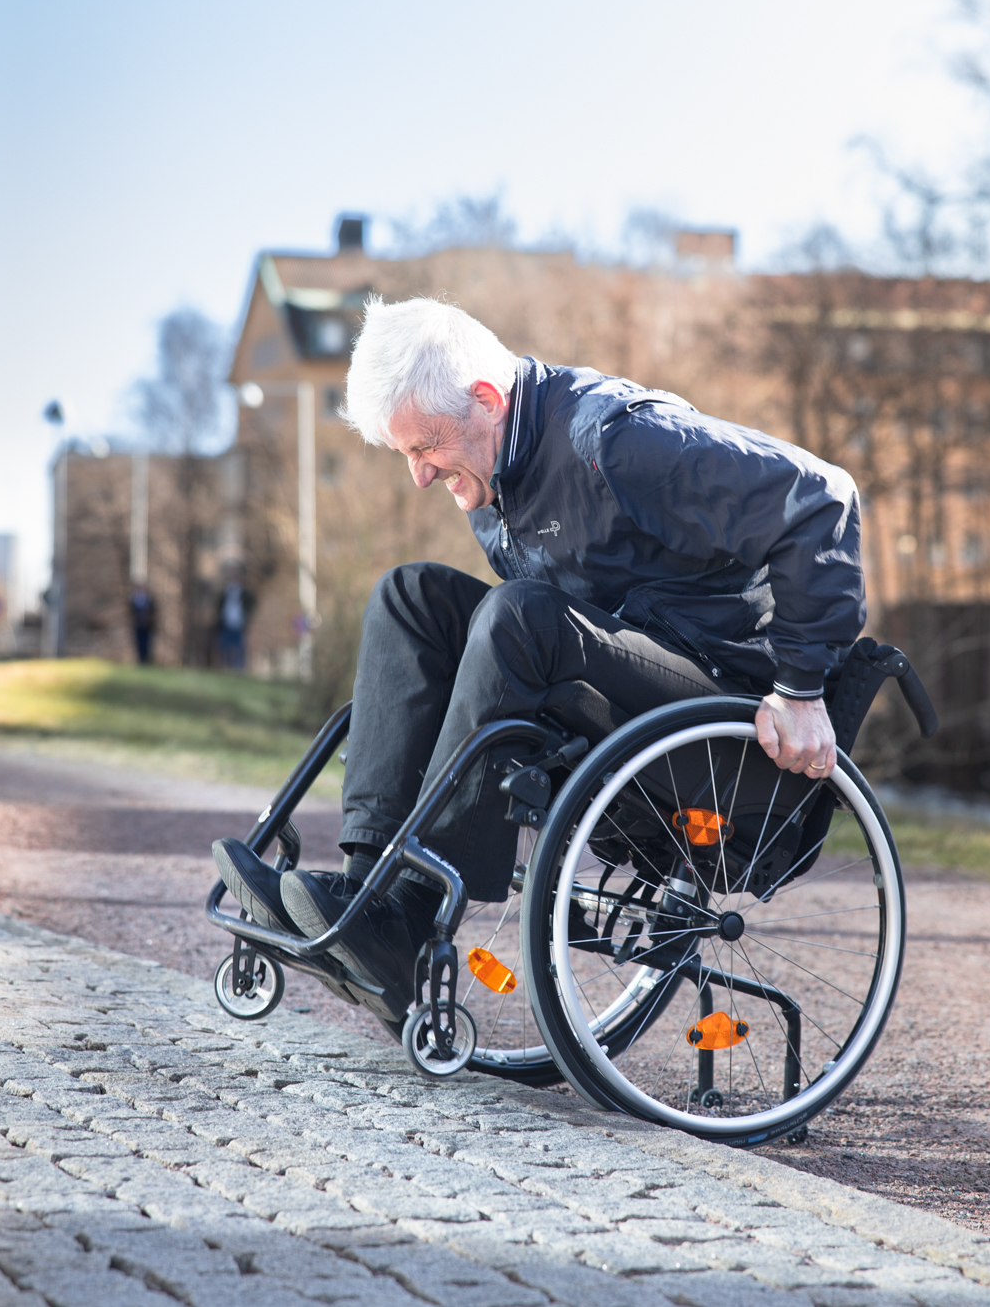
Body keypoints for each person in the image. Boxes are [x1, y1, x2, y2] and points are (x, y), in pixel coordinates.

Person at [214, 297, 863, 1024]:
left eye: (426, 447)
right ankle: (370, 896)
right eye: (406, 455)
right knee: (411, 597)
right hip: (621, 694)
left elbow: (822, 499)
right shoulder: (497, 477)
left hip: (732, 725)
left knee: (518, 615)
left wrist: (800, 689)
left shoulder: (618, 439)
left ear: (487, 401)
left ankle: (409, 912)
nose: (419, 476)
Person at [216, 570, 254, 672]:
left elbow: (250, 606)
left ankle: (239, 670)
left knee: (239, 650)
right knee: (225, 649)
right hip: (226, 626)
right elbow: (219, 609)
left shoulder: (245, 594)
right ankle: (225, 669)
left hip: (239, 626)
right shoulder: (224, 594)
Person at [129, 586, 156, 665]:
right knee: (139, 643)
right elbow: (131, 612)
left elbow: (153, 612)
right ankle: (141, 660)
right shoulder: (134, 601)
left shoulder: (149, 600)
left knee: (147, 643)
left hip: (147, 626)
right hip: (138, 625)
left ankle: (146, 660)